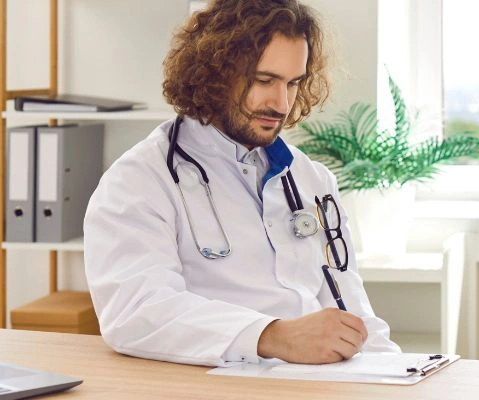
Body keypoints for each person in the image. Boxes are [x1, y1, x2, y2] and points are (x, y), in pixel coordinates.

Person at [83, 0, 400, 366]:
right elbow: (135, 312)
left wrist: (395, 371)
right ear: (213, 73)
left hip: (320, 384)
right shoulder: (140, 180)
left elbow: (352, 312)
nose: (281, 103)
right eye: (264, 80)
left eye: (293, 83)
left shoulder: (310, 178)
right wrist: (272, 336)